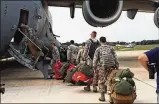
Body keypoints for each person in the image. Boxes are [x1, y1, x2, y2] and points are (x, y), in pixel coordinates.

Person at [93, 36, 119, 101]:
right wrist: (117, 66)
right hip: (111, 66)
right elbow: (115, 57)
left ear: (100, 41)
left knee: (101, 81)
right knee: (111, 81)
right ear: (105, 41)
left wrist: (94, 67)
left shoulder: (98, 49)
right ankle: (111, 98)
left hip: (102, 66)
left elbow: (95, 59)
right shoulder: (110, 48)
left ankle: (102, 97)